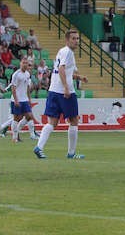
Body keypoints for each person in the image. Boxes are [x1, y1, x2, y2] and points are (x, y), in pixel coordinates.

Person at [33, 29, 88, 159]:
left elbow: (62, 72)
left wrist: (78, 77)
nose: (76, 41)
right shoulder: (68, 52)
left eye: (77, 38)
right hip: (64, 92)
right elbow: (62, 69)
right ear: (67, 40)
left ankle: (39, 147)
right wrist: (66, 88)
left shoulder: (62, 51)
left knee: (52, 121)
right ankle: (71, 153)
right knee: (74, 120)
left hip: (53, 90)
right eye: (73, 38)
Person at [9, 59, 38, 142]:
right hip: (17, 99)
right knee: (16, 118)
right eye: (23, 63)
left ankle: (32, 135)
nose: (25, 65)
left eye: (26, 63)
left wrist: (29, 98)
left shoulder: (27, 74)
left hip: (24, 99)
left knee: (29, 116)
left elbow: (27, 87)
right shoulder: (16, 74)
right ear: (20, 64)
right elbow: (13, 88)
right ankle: (14, 137)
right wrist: (16, 100)